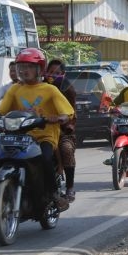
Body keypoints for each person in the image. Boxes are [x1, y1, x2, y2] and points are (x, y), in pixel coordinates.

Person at [0, 48, 74, 212]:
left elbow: (67, 111)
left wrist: (61, 117)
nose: (24, 71)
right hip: (20, 135)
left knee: (44, 158)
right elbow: (1, 111)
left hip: (45, 135)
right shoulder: (15, 89)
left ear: (39, 69)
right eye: (21, 67)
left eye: (29, 67)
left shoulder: (49, 89)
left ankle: (54, 194)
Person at [45, 58, 78, 203]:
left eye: (57, 73)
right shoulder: (40, 87)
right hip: (41, 128)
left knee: (66, 149)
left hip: (62, 130)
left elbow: (72, 112)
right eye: (50, 72)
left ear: (63, 74)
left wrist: (68, 124)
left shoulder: (68, 89)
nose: (53, 75)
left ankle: (69, 187)